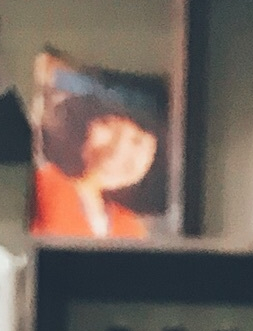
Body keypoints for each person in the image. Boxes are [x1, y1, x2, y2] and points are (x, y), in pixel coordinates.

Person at [31, 63, 160, 239]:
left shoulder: (130, 231)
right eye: (108, 126)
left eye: (138, 142)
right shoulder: (45, 187)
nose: (118, 151)